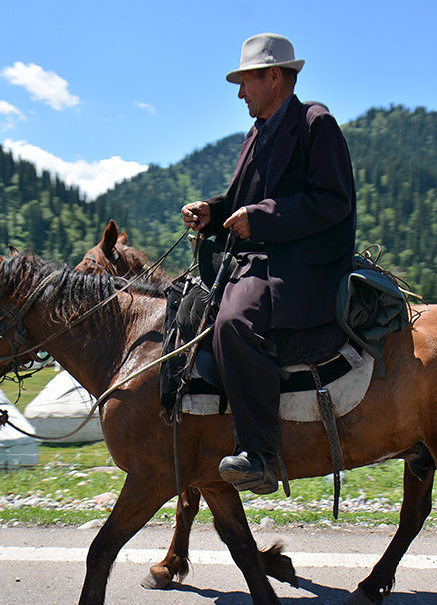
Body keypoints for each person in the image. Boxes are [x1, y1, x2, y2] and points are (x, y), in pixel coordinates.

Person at [181, 33, 357, 494]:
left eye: (246, 81)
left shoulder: (316, 123)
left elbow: (333, 200)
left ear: (274, 76)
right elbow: (243, 201)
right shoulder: (258, 132)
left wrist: (259, 218)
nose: (241, 92)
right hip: (260, 254)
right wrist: (214, 212)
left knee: (233, 324)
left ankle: (260, 455)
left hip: (299, 265)